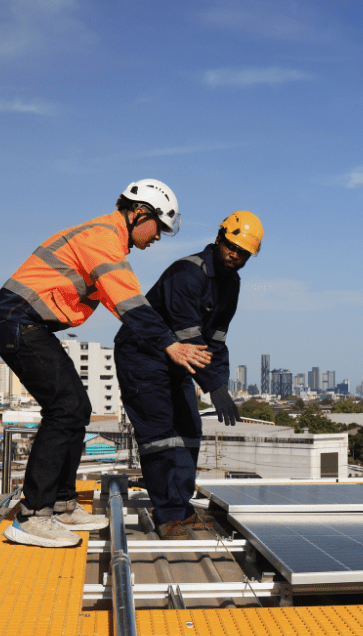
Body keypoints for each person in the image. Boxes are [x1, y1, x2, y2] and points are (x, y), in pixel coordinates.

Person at [0, 179, 213, 548]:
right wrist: (169, 344)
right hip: (17, 321)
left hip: (26, 323)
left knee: (78, 408)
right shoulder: (103, 238)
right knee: (65, 408)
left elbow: (121, 302)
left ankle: (60, 503)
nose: (158, 237)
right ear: (140, 213)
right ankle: (33, 514)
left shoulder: (107, 241)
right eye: (158, 227)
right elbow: (130, 304)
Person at [114, 211, 262, 540]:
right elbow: (190, 339)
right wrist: (211, 386)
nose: (236, 256)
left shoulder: (230, 285)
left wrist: (219, 385)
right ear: (220, 239)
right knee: (160, 435)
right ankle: (168, 516)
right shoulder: (187, 273)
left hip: (179, 361)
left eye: (244, 254)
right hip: (143, 354)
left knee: (189, 429)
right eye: (233, 247)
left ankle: (181, 508)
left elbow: (216, 342)